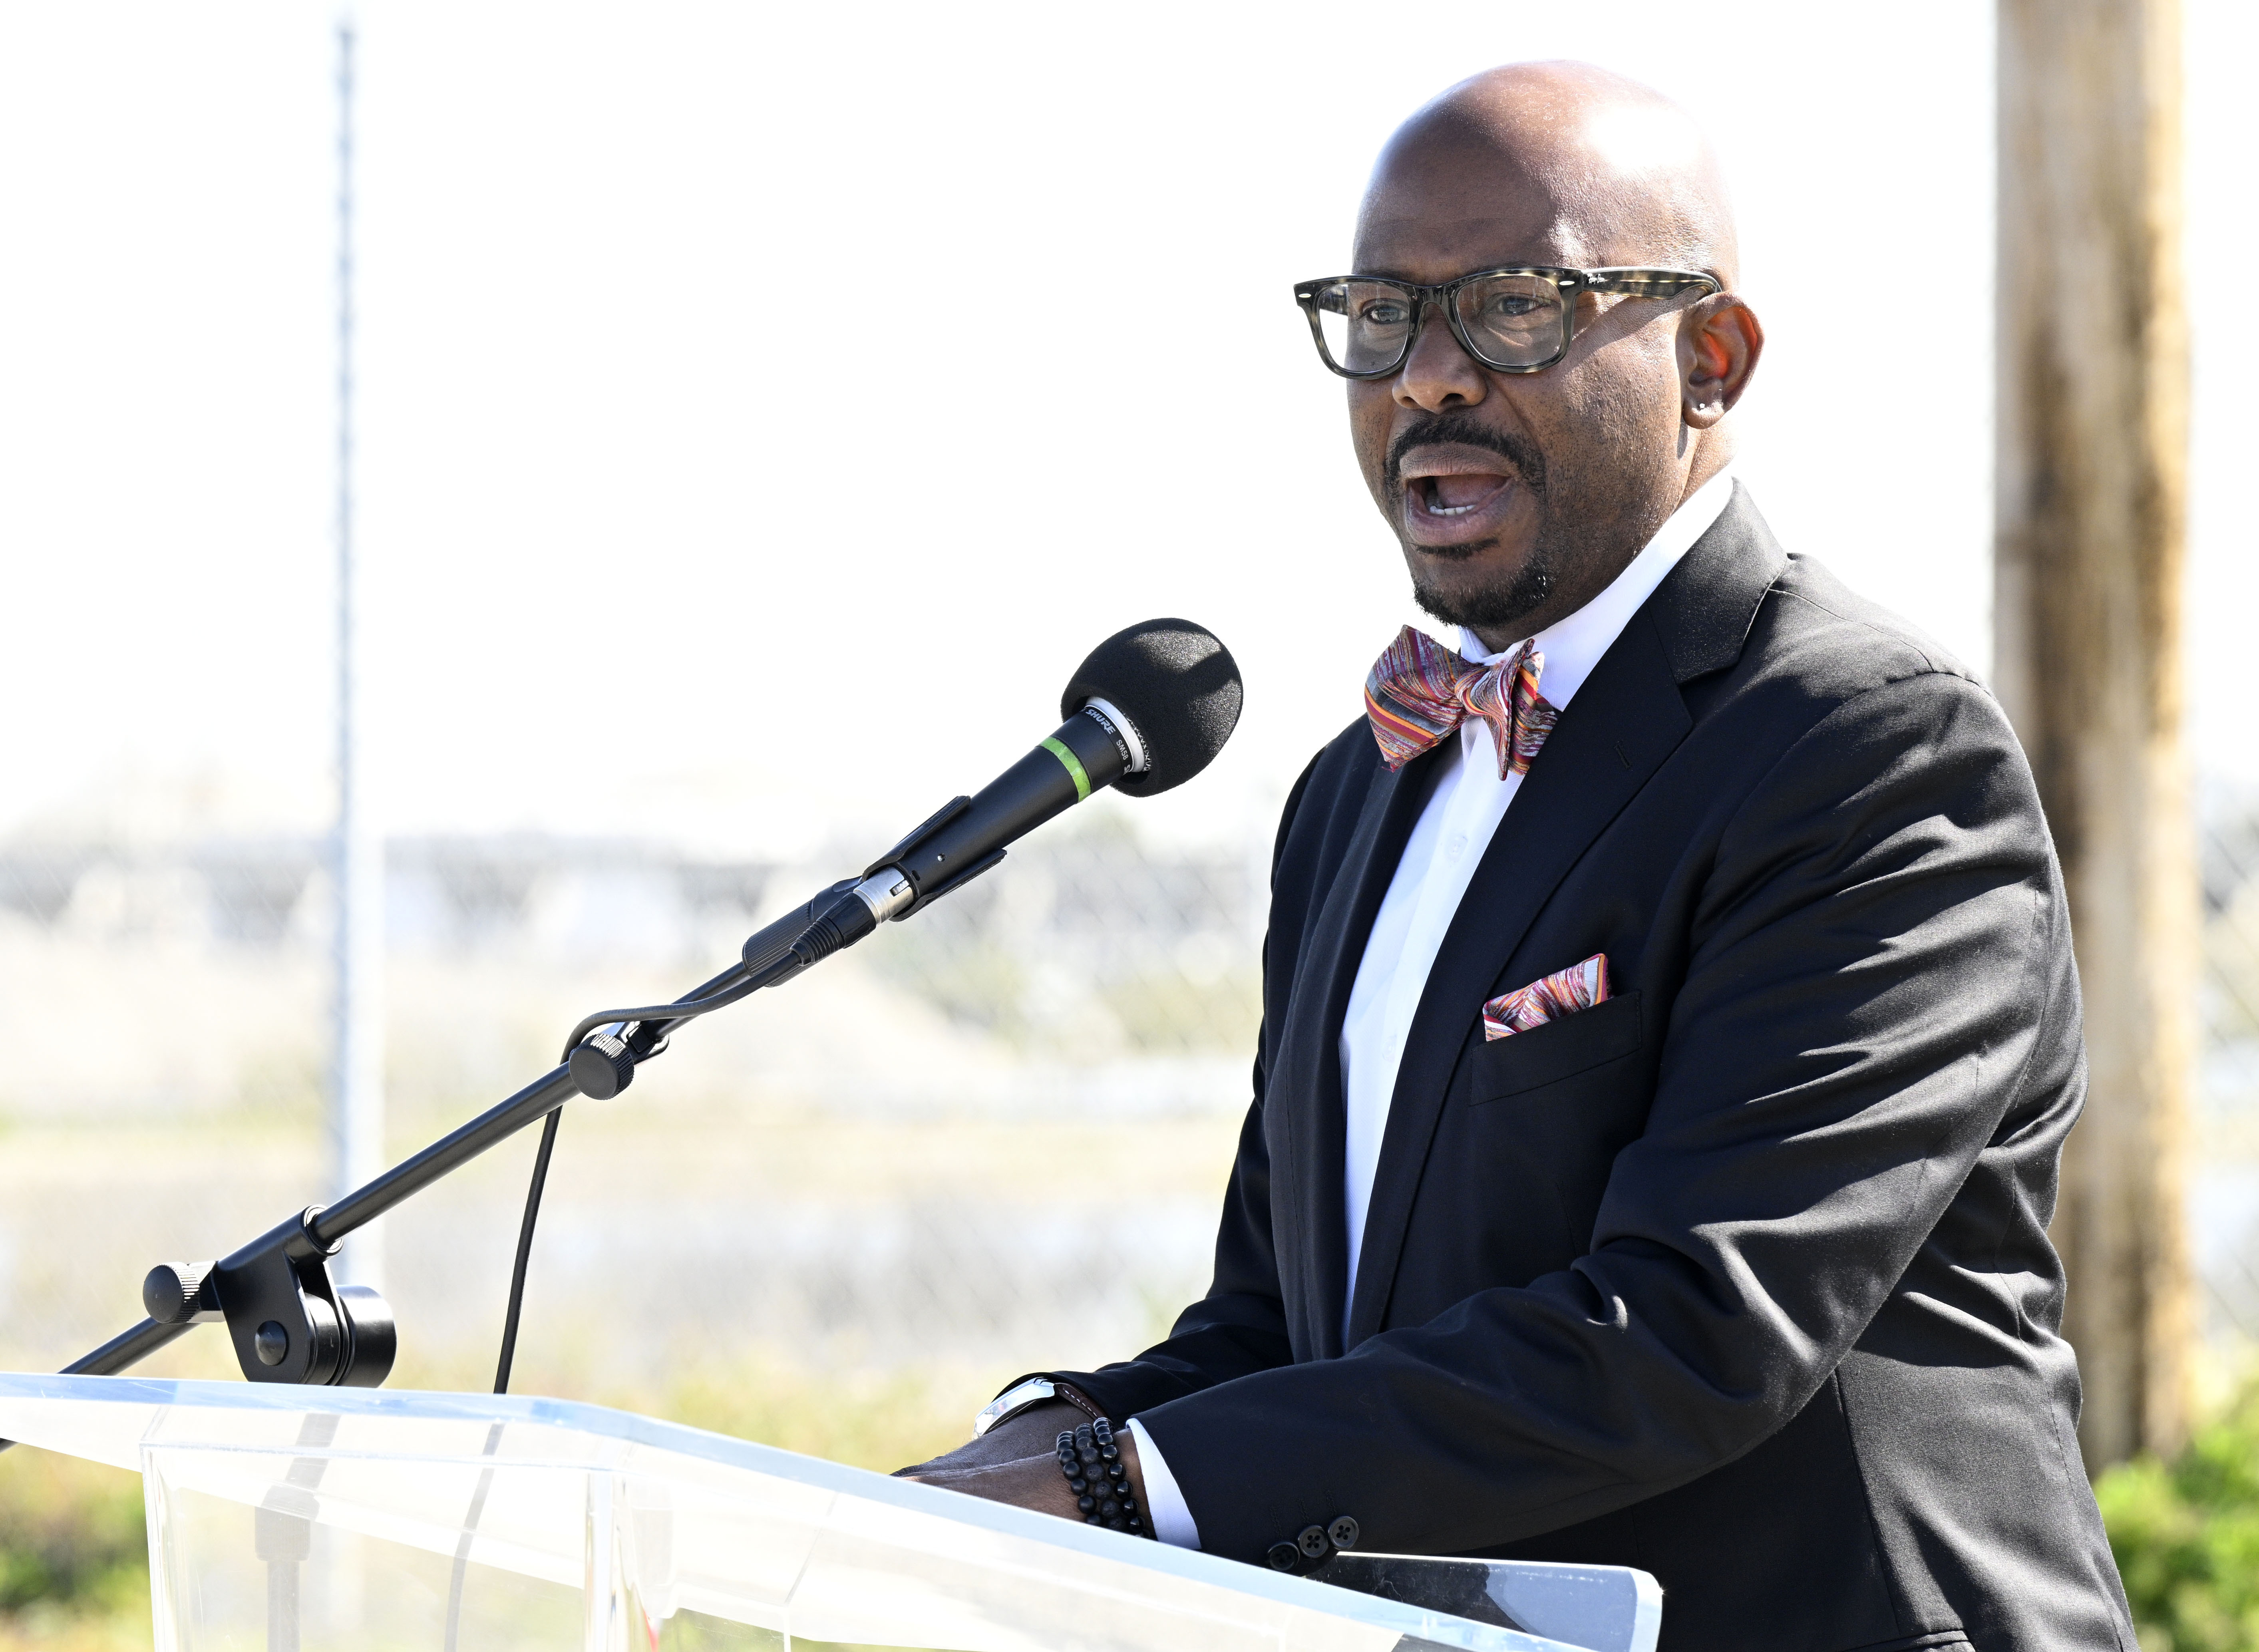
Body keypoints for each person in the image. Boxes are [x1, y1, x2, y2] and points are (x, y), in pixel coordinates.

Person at [899, 60, 2135, 1652]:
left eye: (1511, 306)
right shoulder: (1357, 791)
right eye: (1380, 316)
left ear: (1711, 358)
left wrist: (1122, 1482)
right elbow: (1287, 1327)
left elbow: (1690, 1328)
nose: (1425, 379)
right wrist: (1026, 1440)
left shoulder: (1863, 749)